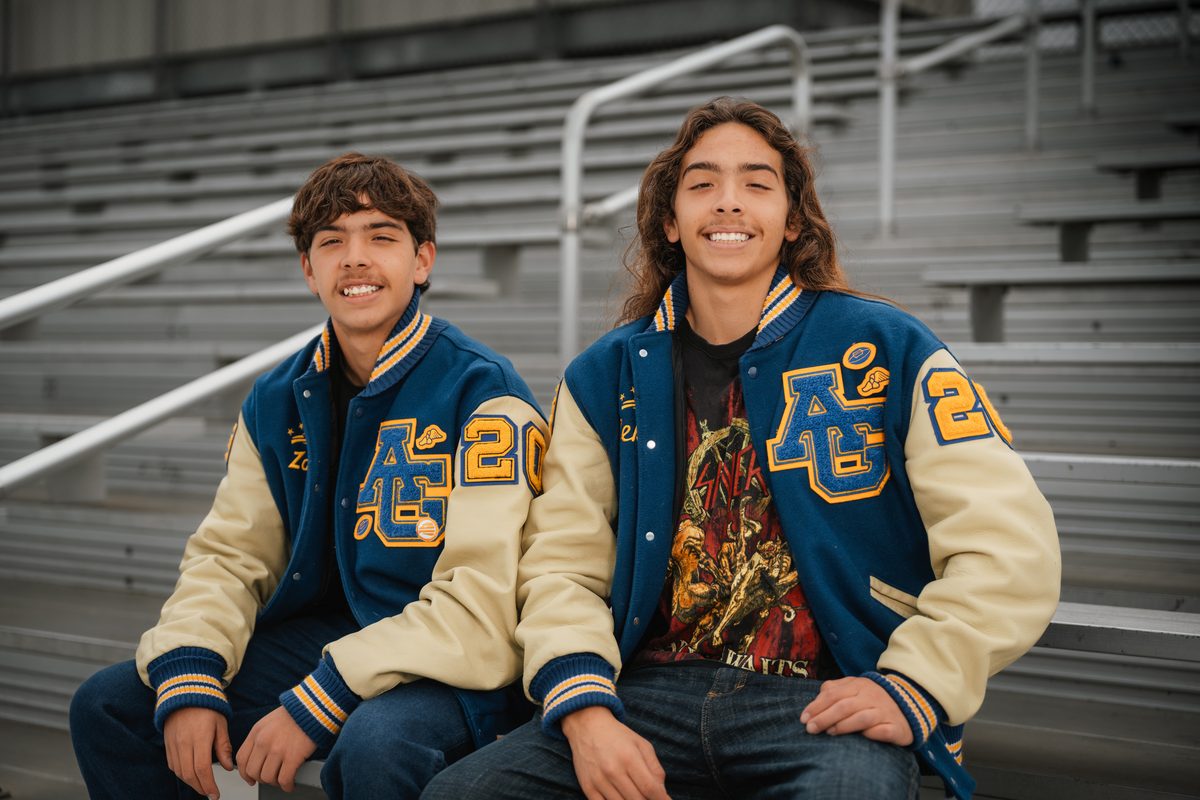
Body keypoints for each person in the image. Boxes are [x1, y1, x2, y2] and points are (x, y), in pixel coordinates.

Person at [421, 98, 1060, 800]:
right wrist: (585, 708)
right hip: (645, 694)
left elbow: (1006, 544)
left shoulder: (887, 347)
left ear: (793, 219)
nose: (728, 201)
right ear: (670, 221)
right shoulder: (603, 377)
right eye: (702, 184)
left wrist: (916, 682)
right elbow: (563, 567)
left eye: (757, 183)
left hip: (826, 699)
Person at [70, 152, 546, 799]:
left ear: (422, 261)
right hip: (323, 642)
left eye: (381, 237)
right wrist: (191, 670)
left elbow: (484, 602)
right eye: (332, 242)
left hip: (453, 658)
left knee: (376, 745)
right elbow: (230, 556)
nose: (355, 258)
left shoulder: (485, 392)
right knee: (110, 707)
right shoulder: (276, 398)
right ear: (308, 270)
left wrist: (319, 697)